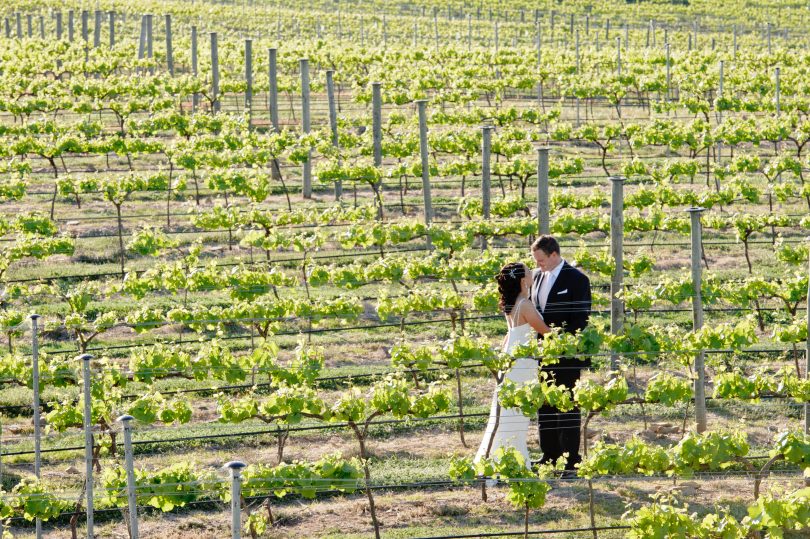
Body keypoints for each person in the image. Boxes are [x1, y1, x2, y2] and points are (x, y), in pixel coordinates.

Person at [474, 262, 550, 467]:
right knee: (517, 412)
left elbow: (510, 335)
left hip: (512, 357)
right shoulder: (525, 304)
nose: (531, 271)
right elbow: (545, 330)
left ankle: (504, 458)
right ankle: (510, 460)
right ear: (523, 280)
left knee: (508, 412)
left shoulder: (513, 303)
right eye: (527, 270)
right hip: (522, 362)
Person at [530, 235, 591, 472]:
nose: (538, 265)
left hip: (566, 355)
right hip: (541, 353)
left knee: (566, 405)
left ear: (554, 254)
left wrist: (560, 342)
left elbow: (581, 319)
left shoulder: (577, 279)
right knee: (544, 404)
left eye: (541, 260)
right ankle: (550, 454)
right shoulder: (537, 278)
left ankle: (571, 460)